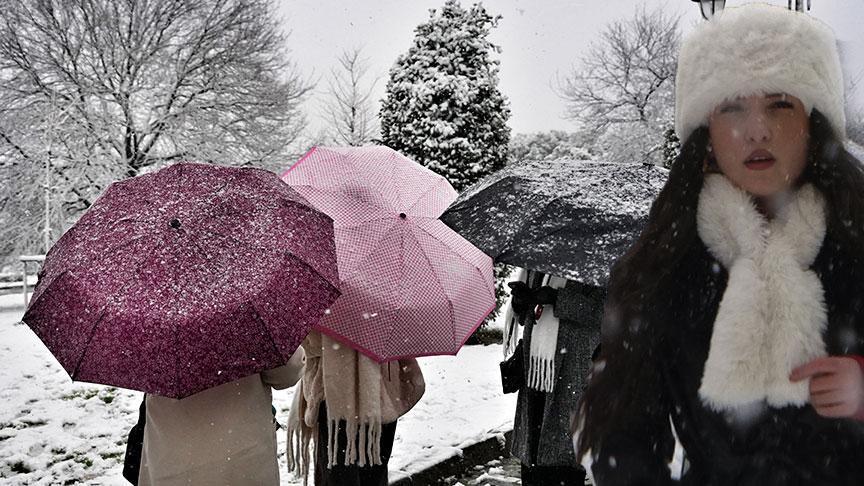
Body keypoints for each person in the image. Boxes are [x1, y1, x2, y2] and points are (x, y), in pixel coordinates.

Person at [575, 4, 864, 485]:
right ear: (706, 134)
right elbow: (622, 435)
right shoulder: (667, 265)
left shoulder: (856, 246)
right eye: (732, 106)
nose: (757, 129)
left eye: (779, 104)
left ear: (813, 123)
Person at [136, 349, 305, 486]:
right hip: (240, 453)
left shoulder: (150, 324)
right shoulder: (244, 317)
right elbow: (287, 372)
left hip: (170, 457)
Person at [286, 330, 425, 486]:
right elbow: (399, 339)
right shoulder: (385, 308)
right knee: (373, 469)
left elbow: (309, 345)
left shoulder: (323, 309)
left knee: (339, 473)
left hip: (337, 402)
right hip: (380, 397)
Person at [506, 268, 604, 485]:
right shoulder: (541, 260)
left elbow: (606, 312)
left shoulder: (597, 261)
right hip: (536, 374)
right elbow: (526, 317)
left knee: (562, 460)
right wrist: (521, 301)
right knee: (532, 457)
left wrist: (558, 298)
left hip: (571, 373)